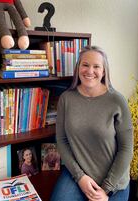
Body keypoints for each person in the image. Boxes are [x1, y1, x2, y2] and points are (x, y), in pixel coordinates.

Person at [50, 46, 133, 201]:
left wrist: (106, 189)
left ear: (103, 71)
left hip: (114, 178)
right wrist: (80, 177)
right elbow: (62, 141)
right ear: (78, 68)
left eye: (96, 66)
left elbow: (126, 148)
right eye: (85, 65)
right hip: (78, 172)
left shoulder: (117, 101)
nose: (90, 71)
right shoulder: (66, 99)